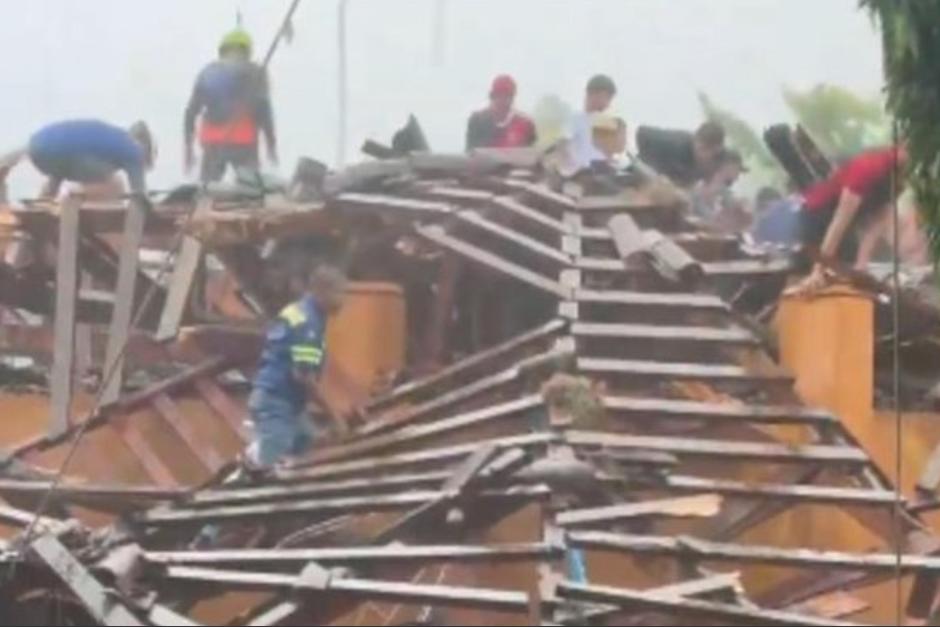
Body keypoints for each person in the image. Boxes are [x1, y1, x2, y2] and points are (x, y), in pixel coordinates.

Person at [247, 261, 348, 469]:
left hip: (287, 403)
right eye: (339, 294)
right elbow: (303, 376)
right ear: (322, 291)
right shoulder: (308, 324)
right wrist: (335, 416)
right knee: (267, 466)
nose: (343, 301)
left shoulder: (303, 312)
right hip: (276, 402)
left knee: (307, 443)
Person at [790, 145, 906, 294]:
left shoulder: (902, 176)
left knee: (849, 275)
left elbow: (878, 222)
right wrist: (818, 269)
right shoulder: (868, 167)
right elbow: (839, 222)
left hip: (845, 225)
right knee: (818, 281)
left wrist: (862, 264)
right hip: (817, 217)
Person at [185, 28, 278, 183]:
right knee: (251, 190)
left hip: (213, 141)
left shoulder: (208, 72)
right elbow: (264, 110)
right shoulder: (256, 72)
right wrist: (271, 144)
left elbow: (191, 112)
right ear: (247, 51)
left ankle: (204, 203)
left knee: (207, 189)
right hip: (244, 140)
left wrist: (188, 147)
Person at [15, 120, 154, 199]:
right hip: (61, 153)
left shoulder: (113, 138)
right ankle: (77, 198)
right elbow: (139, 195)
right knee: (113, 182)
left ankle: (45, 200)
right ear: (143, 146)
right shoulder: (133, 149)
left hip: (36, 148)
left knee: (62, 169)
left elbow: (67, 156)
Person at [636, 121, 726, 188]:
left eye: (709, 151)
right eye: (701, 149)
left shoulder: (717, 159)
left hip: (672, 168)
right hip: (643, 150)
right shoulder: (677, 144)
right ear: (695, 140)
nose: (702, 155)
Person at [563, 74, 618, 174]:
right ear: (591, 94)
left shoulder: (608, 123)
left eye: (610, 99)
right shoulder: (574, 119)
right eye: (606, 97)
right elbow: (563, 147)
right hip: (577, 174)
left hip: (599, 174)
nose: (608, 103)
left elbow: (608, 155)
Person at [465, 75, 537, 151]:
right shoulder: (477, 121)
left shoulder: (526, 124)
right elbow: (470, 154)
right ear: (491, 96)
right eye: (498, 96)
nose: (502, 101)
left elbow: (531, 156)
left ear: (513, 98)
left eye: (507, 96)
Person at [691, 149, 746, 221]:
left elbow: (733, 206)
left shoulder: (723, 191)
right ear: (729, 166)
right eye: (737, 169)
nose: (738, 175)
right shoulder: (702, 179)